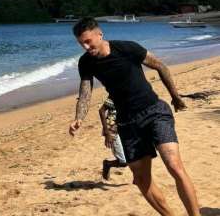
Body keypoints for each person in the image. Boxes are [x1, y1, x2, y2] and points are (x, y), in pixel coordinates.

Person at [69, 17, 200, 216]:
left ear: (100, 34)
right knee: (140, 179)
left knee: (173, 165)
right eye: (81, 44)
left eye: (88, 41)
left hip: (154, 111)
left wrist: (175, 96)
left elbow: (160, 66)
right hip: (127, 122)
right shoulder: (86, 62)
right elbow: (85, 90)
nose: (86, 47)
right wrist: (79, 117)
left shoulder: (127, 49)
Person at [98, 98, 127, 180]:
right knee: (123, 161)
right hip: (112, 131)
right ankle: (107, 164)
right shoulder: (114, 95)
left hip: (123, 130)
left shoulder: (130, 93)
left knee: (131, 156)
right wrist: (107, 133)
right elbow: (101, 111)